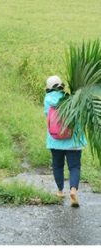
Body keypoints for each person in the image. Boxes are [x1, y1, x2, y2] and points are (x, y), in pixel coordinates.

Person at [44, 76, 87, 207]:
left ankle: (60, 191)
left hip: (55, 140)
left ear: (49, 88)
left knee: (58, 166)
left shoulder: (48, 100)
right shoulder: (72, 99)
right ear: (62, 86)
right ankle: (73, 190)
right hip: (73, 140)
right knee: (74, 167)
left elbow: (48, 117)